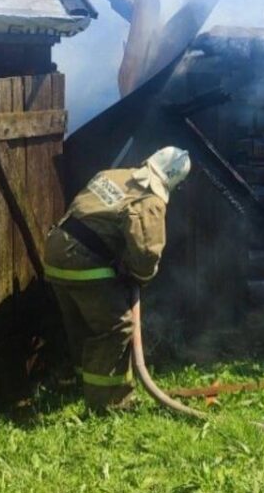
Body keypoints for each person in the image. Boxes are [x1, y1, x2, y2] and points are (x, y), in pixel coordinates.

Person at [44, 147, 191, 410]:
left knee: (83, 326)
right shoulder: (149, 201)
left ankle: (80, 385)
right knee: (117, 327)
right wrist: (139, 276)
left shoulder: (112, 174)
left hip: (56, 252)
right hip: (84, 263)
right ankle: (108, 403)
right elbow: (146, 255)